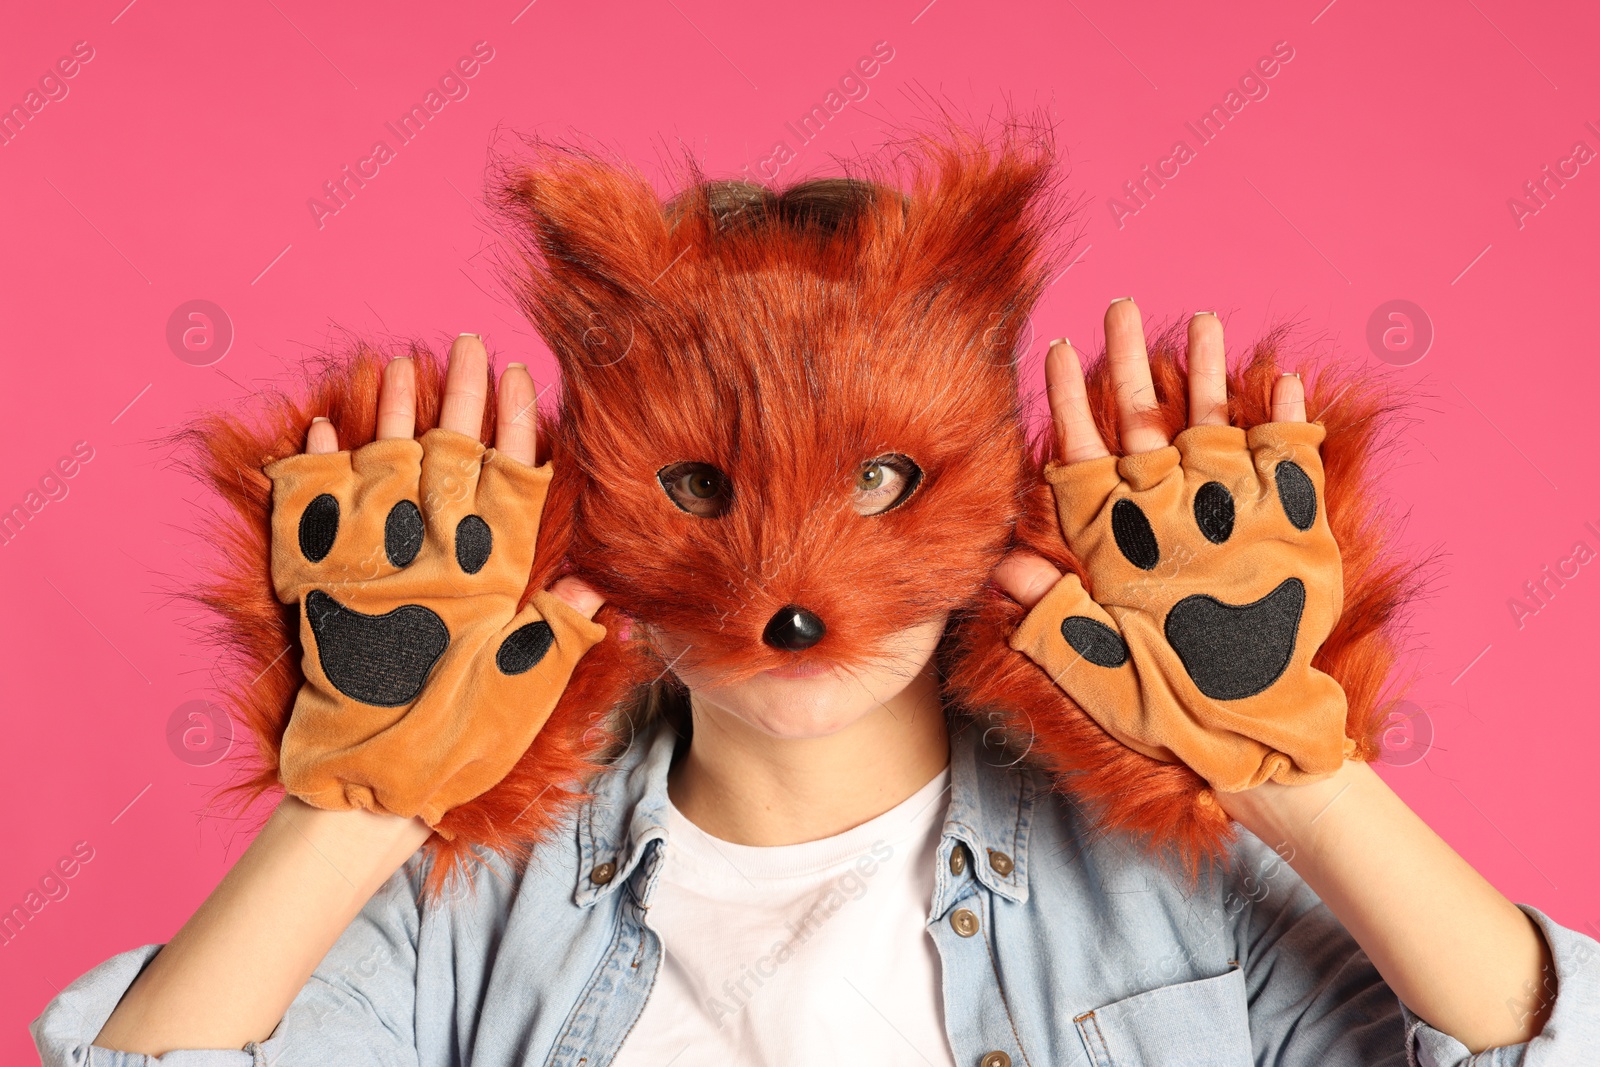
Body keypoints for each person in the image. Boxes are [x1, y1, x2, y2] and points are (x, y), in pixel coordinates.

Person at [31, 150, 1599, 1065]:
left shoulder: (1170, 900)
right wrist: (373, 788)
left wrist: (1293, 769)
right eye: (702, 488)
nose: (790, 589)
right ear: (588, 487)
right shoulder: (471, 915)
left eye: (877, 482)